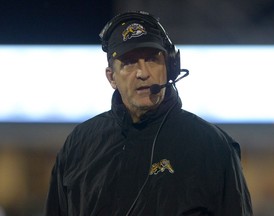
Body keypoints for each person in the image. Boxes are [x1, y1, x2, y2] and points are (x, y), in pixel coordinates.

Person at [44, 11, 253, 216]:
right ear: (111, 77)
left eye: (152, 59)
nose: (143, 73)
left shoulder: (214, 146)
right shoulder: (78, 146)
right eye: (129, 62)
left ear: (170, 66)